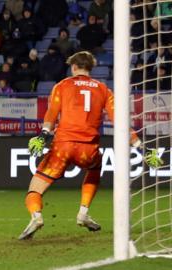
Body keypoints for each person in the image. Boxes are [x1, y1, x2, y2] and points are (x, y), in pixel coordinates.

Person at [18, 51, 163, 240]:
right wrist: (141, 148)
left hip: (63, 146)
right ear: (90, 68)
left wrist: (43, 135)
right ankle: (83, 212)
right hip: (89, 148)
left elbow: (51, 115)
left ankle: (36, 216)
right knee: (95, 168)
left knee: (35, 189)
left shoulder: (62, 86)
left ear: (73, 67)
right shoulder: (103, 89)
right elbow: (119, 121)